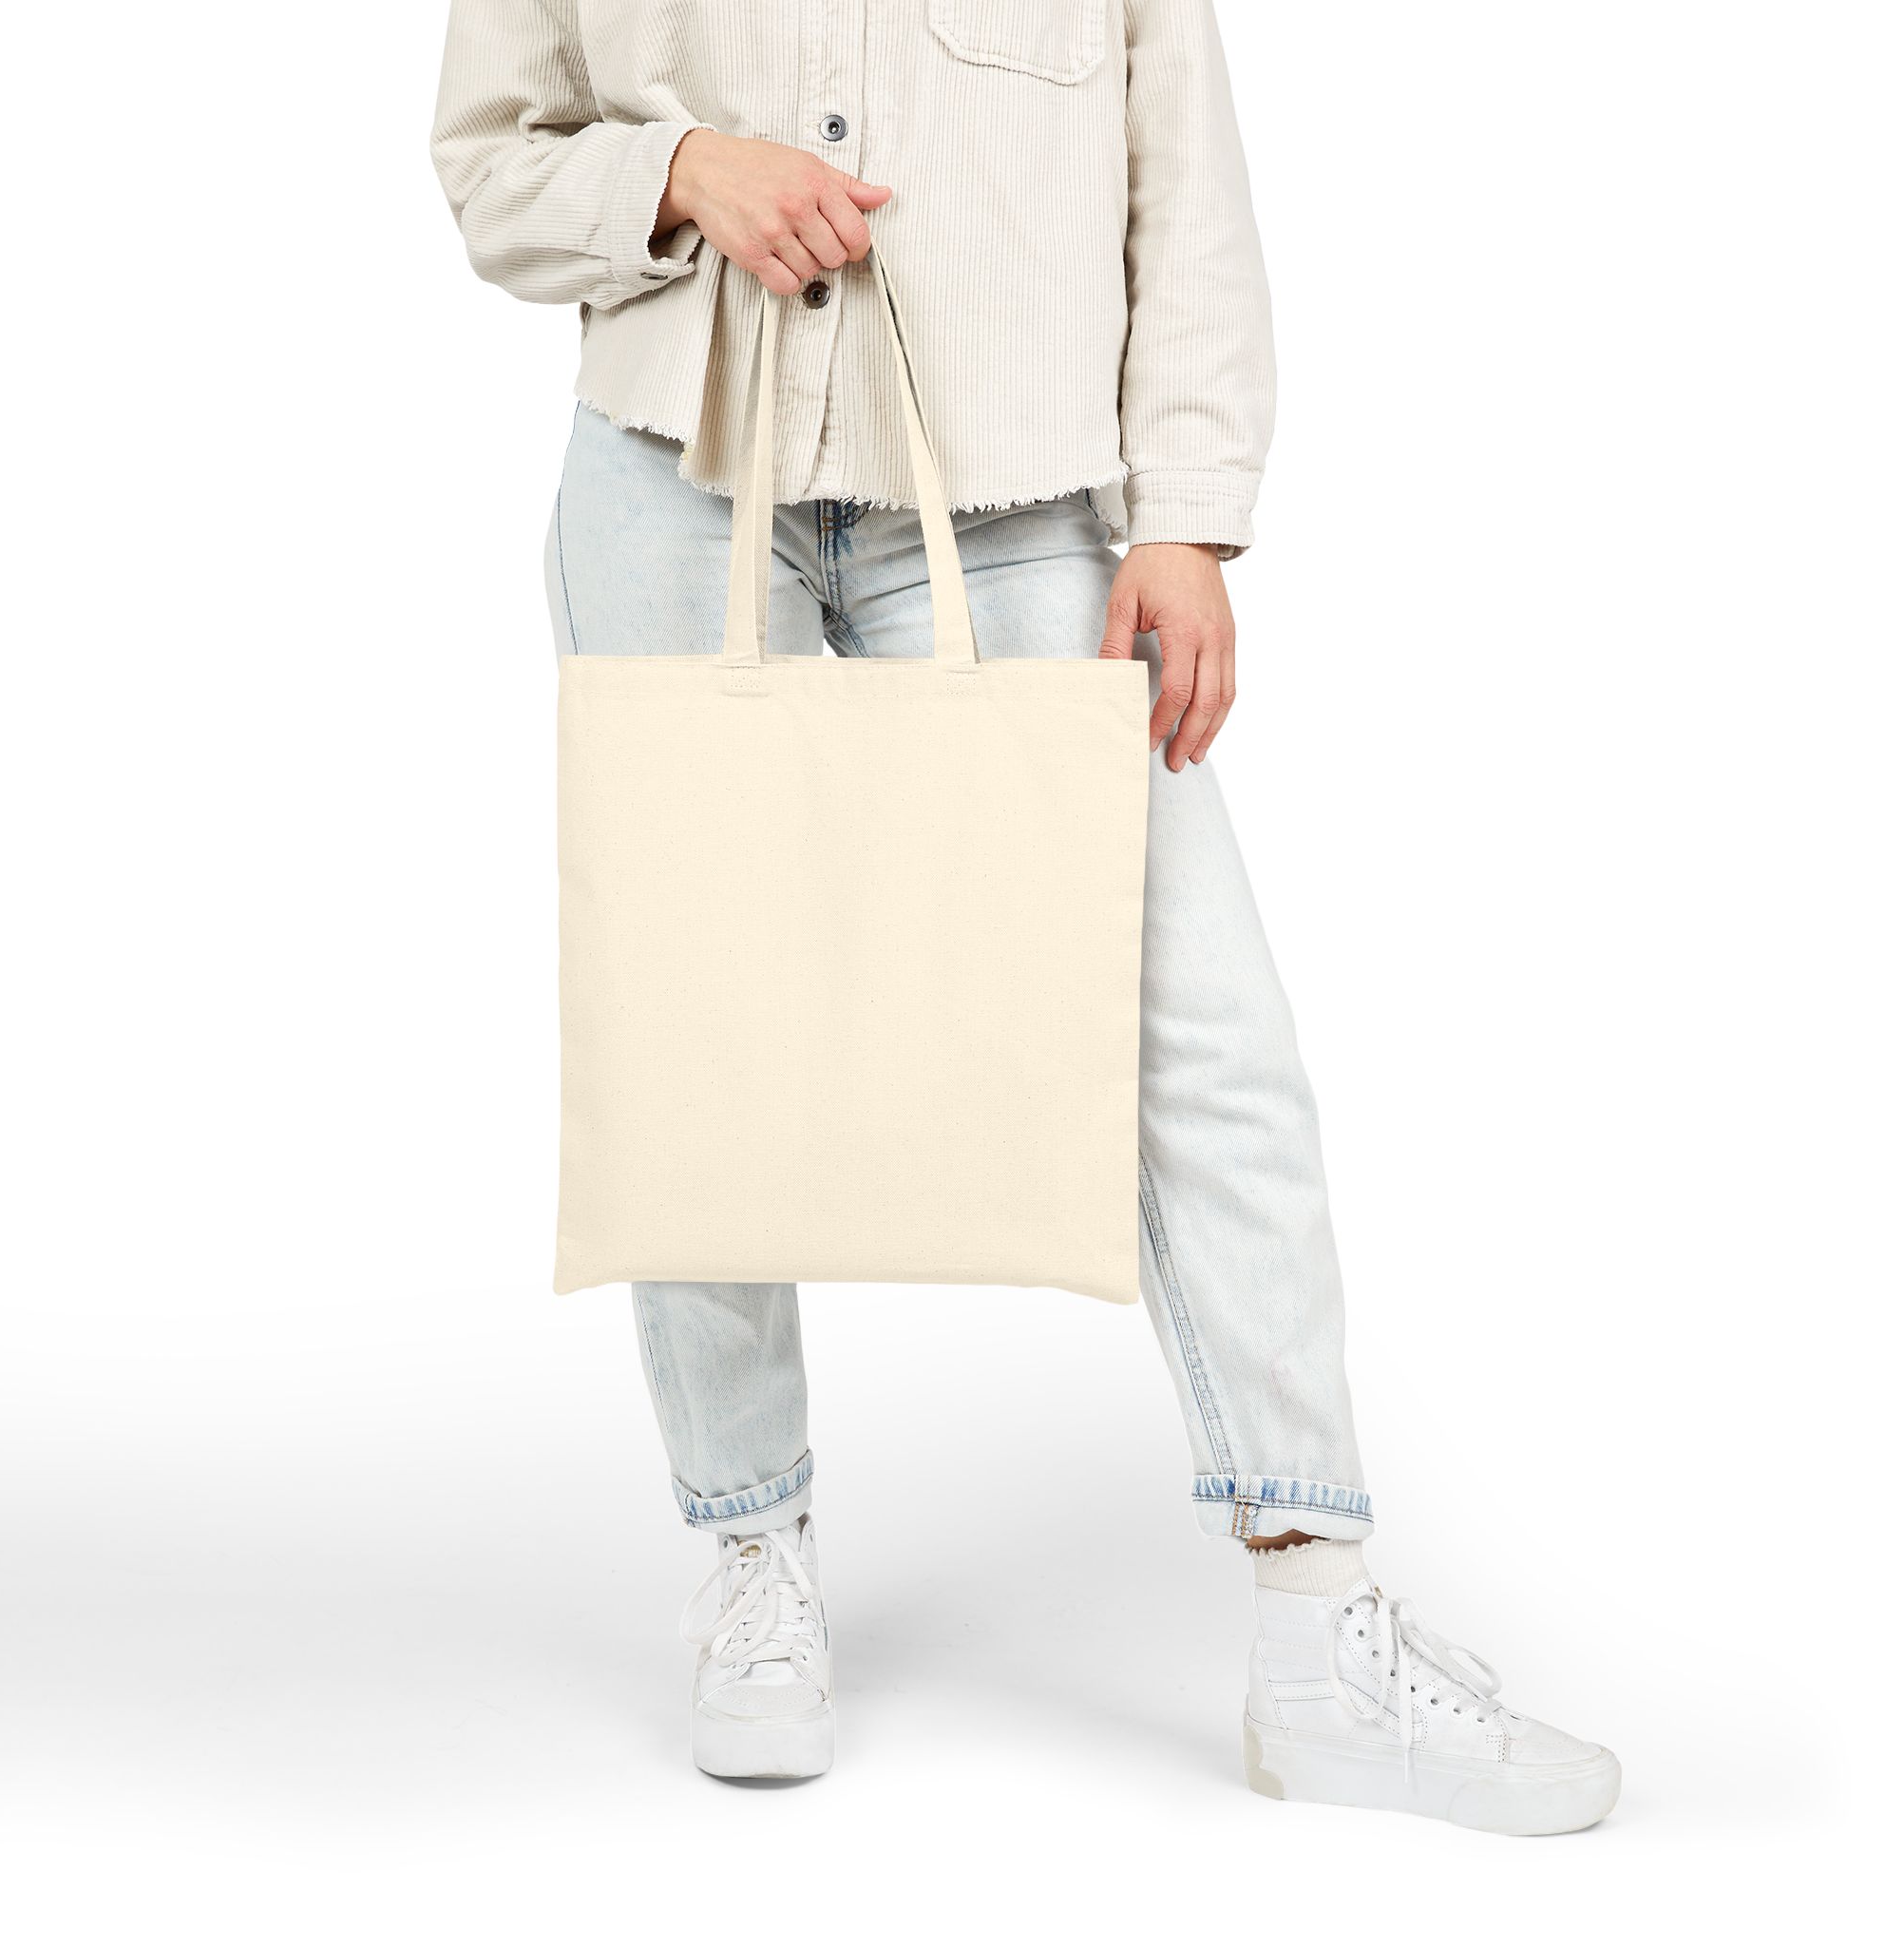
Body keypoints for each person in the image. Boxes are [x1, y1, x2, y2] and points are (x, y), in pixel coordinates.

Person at [432, 0, 1617, 1833]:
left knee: (1198, 1033)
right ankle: (752, 1553)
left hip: (1011, 508)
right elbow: (489, 163)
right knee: (701, 1032)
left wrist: (1189, 522)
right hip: (672, 471)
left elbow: (1183, 182)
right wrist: (676, 171)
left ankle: (1319, 1624)